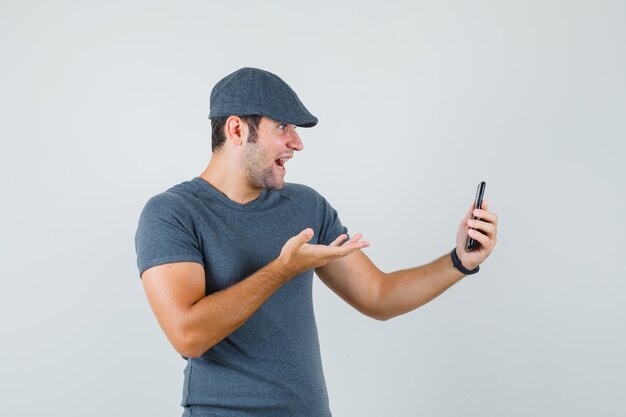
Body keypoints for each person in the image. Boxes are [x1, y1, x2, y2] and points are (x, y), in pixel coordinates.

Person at [135, 67, 498, 417]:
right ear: (237, 130)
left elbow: (378, 295)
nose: (297, 143)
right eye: (283, 127)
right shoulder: (172, 213)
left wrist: (459, 261)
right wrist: (281, 270)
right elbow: (187, 335)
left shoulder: (305, 206)